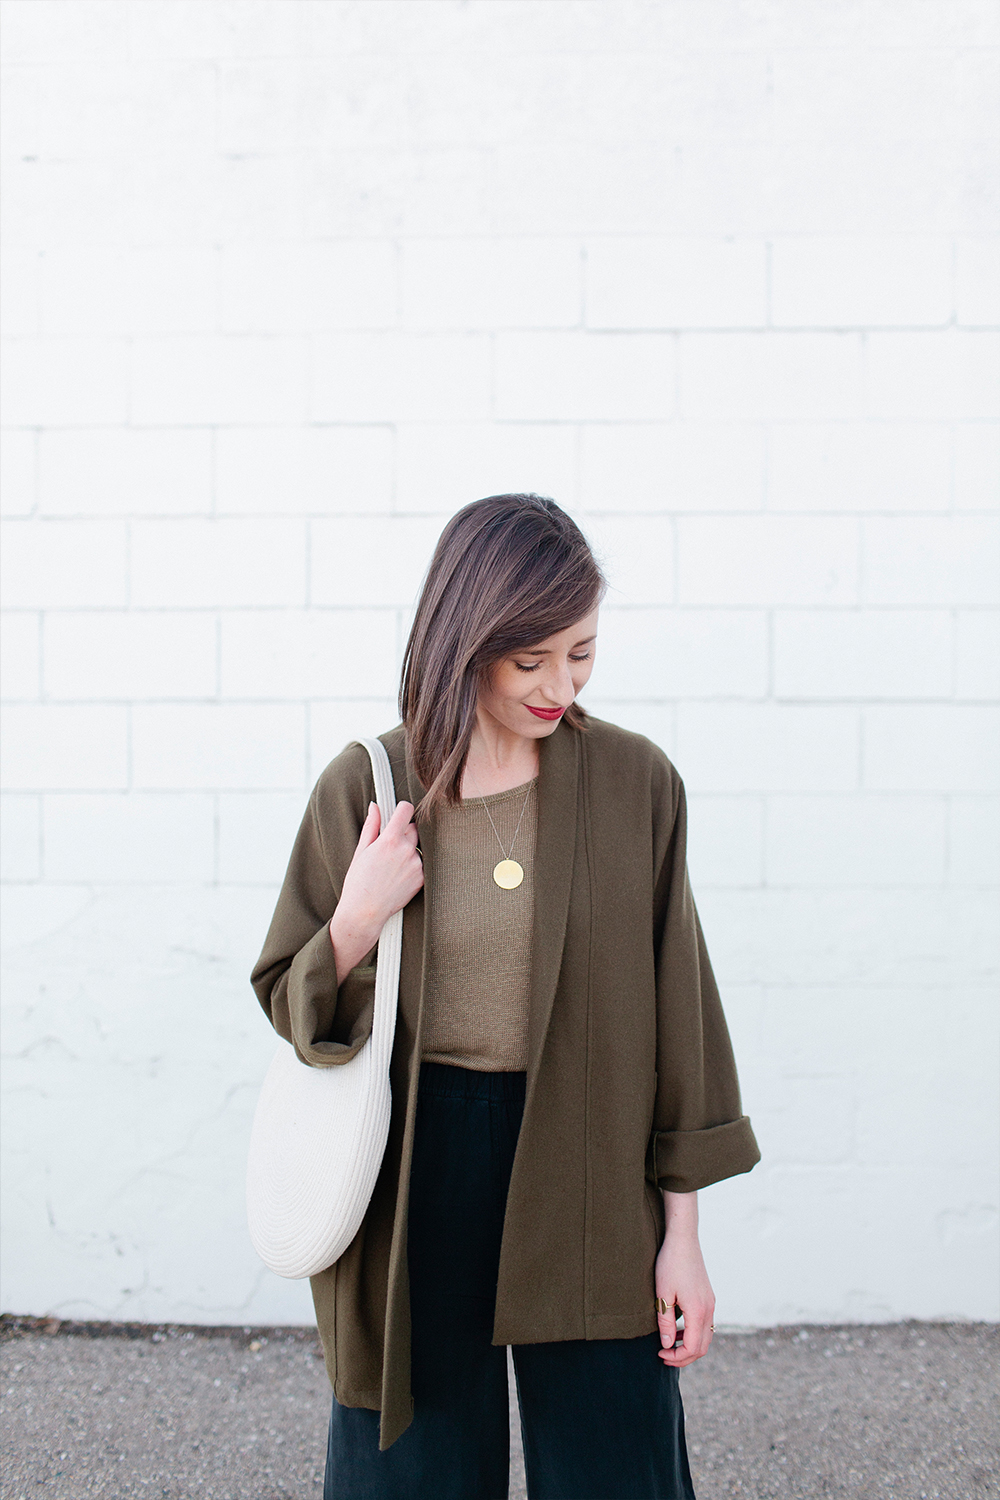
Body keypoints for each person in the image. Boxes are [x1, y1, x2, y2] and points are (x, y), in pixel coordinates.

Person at [251, 493, 760, 1500]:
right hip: (417, 1159)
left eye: (581, 654)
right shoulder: (371, 786)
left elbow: (678, 1018)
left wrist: (683, 1242)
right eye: (529, 661)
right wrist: (358, 914)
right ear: (464, 642)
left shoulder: (634, 784)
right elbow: (290, 999)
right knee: (415, 1465)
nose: (557, 686)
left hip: (587, 1155)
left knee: (617, 1461)